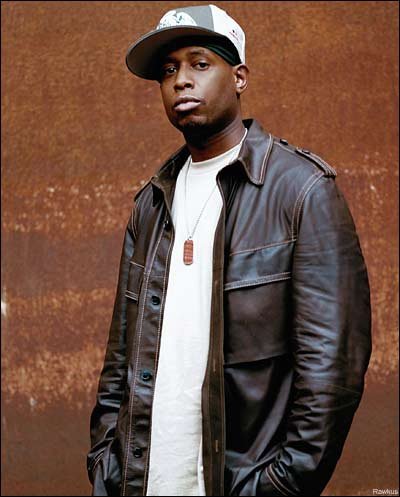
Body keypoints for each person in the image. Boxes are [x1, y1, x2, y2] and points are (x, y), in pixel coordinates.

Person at [87, 4, 372, 496]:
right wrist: (105, 461)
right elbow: (121, 354)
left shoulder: (301, 191)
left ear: (239, 77)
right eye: (168, 70)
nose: (181, 80)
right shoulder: (151, 202)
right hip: (141, 481)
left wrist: (281, 485)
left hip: (241, 483)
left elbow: (333, 368)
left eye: (199, 63)